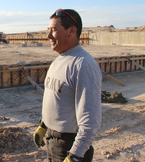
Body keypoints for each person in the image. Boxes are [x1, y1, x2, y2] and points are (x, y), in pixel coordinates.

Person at [33, 9, 102, 162]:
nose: (48, 36)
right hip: (53, 141)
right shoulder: (59, 59)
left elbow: (91, 121)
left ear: (72, 31)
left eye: (54, 30)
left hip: (69, 146)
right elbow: (58, 99)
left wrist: (75, 155)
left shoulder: (83, 65)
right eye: (48, 30)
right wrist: (44, 125)